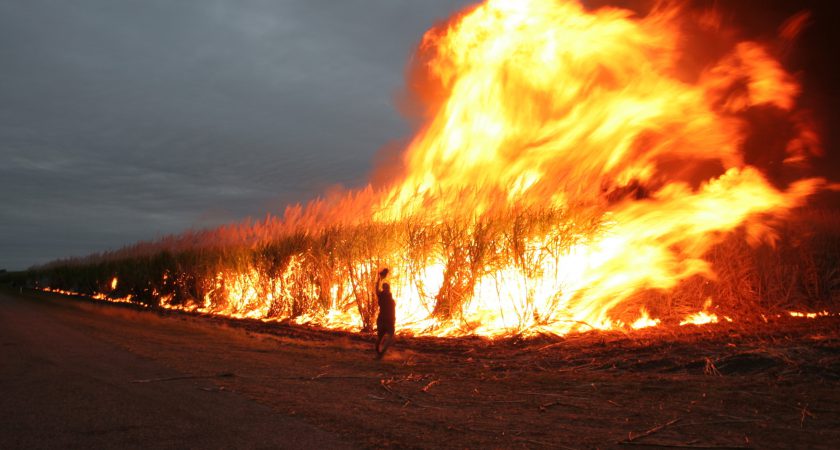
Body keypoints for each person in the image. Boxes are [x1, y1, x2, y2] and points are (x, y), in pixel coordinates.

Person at [375, 270, 396, 359]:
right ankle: (381, 352)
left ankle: (379, 352)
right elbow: (376, 288)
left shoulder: (382, 296)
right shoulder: (388, 298)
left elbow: (376, 288)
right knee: (389, 336)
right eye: (387, 288)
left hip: (383, 319)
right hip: (387, 320)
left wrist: (379, 278)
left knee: (381, 337)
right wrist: (379, 278)